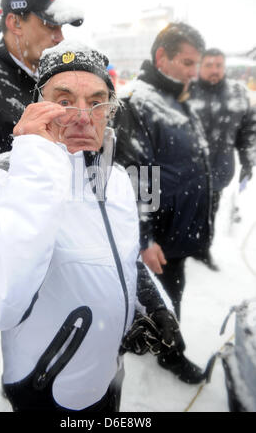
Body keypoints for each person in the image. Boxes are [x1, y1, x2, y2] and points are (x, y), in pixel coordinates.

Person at [0, 41, 184, 412]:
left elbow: (124, 257)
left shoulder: (119, 180)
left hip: (107, 377)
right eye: (64, 101)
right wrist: (37, 161)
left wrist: (153, 305)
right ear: (35, 106)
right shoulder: (6, 181)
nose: (83, 115)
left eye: (97, 102)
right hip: (45, 385)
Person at [0, 0, 83, 412]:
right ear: (15, 23)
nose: (59, 36)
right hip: (5, 279)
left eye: (62, 27)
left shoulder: (45, 82)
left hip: (53, 266)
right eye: (50, 25)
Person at [113, 22, 211, 384]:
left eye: (195, 64)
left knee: (167, 291)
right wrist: (145, 239)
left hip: (179, 224)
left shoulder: (173, 97)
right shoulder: (138, 101)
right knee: (166, 296)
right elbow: (140, 175)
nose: (193, 72)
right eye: (187, 63)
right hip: (161, 232)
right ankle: (170, 352)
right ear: (161, 57)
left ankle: (146, 338)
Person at [189, 48, 256, 260]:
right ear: (200, 66)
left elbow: (247, 132)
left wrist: (247, 162)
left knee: (210, 213)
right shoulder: (185, 91)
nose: (214, 70)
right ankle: (178, 252)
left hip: (219, 170)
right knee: (183, 213)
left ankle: (202, 249)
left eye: (218, 65)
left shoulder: (237, 93)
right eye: (209, 65)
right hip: (186, 172)